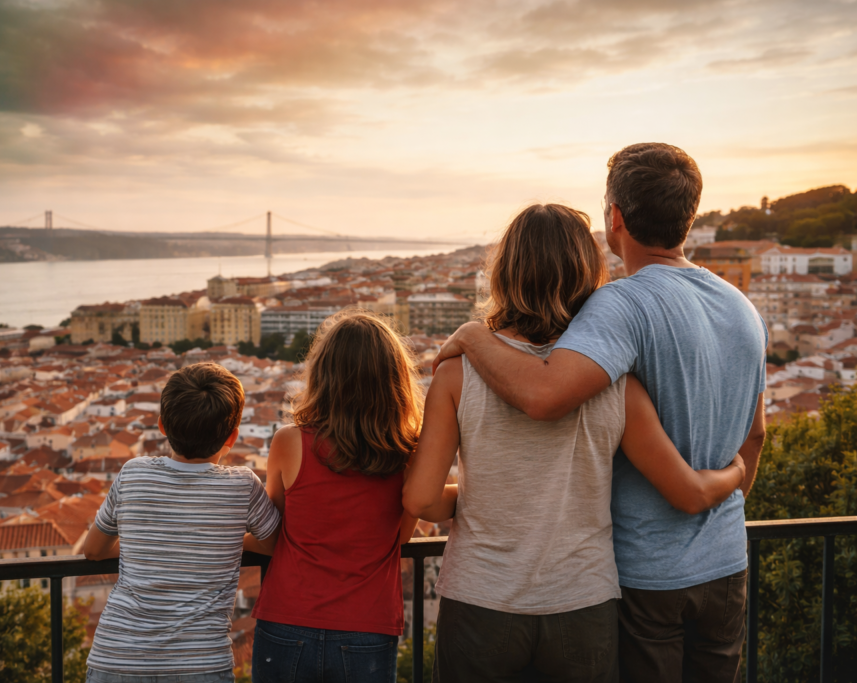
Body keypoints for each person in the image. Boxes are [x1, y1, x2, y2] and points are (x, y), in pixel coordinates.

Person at [433, 143, 767, 683]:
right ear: (689, 215)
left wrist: (474, 334)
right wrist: (724, 494)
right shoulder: (741, 307)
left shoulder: (621, 303)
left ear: (615, 218)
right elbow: (754, 435)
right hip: (726, 562)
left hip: (646, 575)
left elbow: (544, 395)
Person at [250, 311, 434, 683]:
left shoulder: (290, 442)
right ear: (394, 380)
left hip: (287, 618)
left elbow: (272, 528)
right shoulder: (408, 454)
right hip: (367, 624)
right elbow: (398, 536)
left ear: (323, 375)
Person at [81, 363, 281, 683]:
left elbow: (92, 550)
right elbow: (272, 545)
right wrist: (222, 541)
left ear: (162, 425)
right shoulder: (243, 485)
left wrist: (147, 544)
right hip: (199, 664)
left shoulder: (133, 473)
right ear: (232, 436)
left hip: (117, 658)